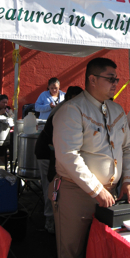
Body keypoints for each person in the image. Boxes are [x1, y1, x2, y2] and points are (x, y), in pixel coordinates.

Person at [49, 57, 130, 258]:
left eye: (117, 79)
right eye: (110, 79)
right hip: (75, 193)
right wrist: (96, 189)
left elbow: (128, 148)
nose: (115, 84)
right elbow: (68, 155)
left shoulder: (116, 109)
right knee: (72, 256)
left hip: (108, 194)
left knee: (103, 253)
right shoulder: (72, 110)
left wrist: (129, 180)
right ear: (92, 79)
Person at [35, 86, 83, 235]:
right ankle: (49, 221)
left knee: (57, 187)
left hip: (55, 152)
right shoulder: (62, 111)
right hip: (46, 152)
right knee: (50, 187)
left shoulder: (72, 109)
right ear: (70, 97)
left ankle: (57, 220)